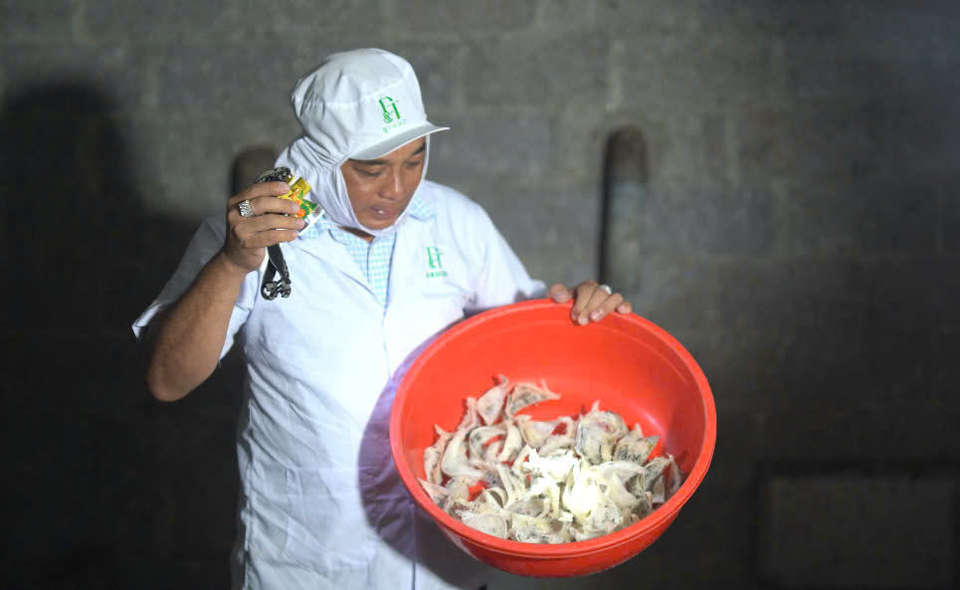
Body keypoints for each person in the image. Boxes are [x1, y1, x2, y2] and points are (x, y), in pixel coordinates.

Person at [133, 48, 632, 590]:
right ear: (319, 159)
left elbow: (532, 332)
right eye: (372, 169)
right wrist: (232, 265)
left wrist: (584, 305)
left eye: (413, 160)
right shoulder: (246, 238)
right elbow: (167, 380)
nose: (396, 188)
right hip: (307, 564)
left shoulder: (454, 221)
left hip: (441, 563)